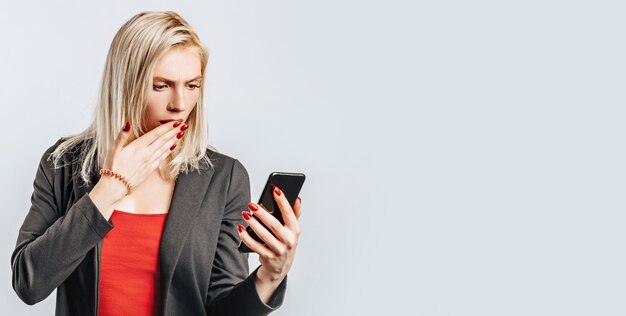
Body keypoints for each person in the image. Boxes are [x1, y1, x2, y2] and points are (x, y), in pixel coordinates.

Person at [10, 11, 301, 316]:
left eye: (192, 85)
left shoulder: (223, 178)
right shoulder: (64, 165)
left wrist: (270, 276)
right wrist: (108, 189)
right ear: (125, 85)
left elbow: (221, 308)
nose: (180, 104)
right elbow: (28, 283)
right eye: (161, 86)